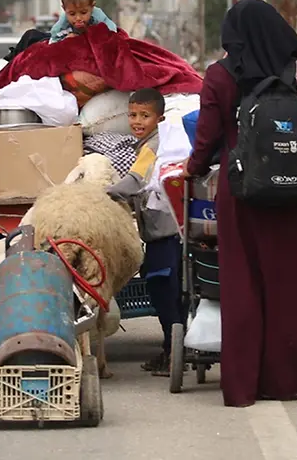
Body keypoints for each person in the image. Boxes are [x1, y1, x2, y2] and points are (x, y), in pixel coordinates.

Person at [185, 0, 297, 408]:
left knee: (243, 285)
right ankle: (286, 378)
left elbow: (207, 136)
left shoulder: (219, 75)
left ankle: (244, 383)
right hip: (290, 194)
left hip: (241, 192)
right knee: (289, 282)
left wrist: (192, 169)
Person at [106, 88, 184, 376]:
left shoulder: (153, 146)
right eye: (132, 115)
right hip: (169, 231)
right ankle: (174, 349)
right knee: (171, 291)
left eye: (145, 116)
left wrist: (100, 194)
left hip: (165, 233)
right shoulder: (155, 142)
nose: (137, 121)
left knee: (163, 291)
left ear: (159, 119)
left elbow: (135, 181)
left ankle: (173, 353)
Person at [48, 0, 118, 43]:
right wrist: (65, 40)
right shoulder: (63, 23)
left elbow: (113, 31)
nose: (78, 18)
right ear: (64, 9)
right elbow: (53, 40)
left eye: (83, 12)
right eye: (72, 14)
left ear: (92, 7)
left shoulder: (98, 16)